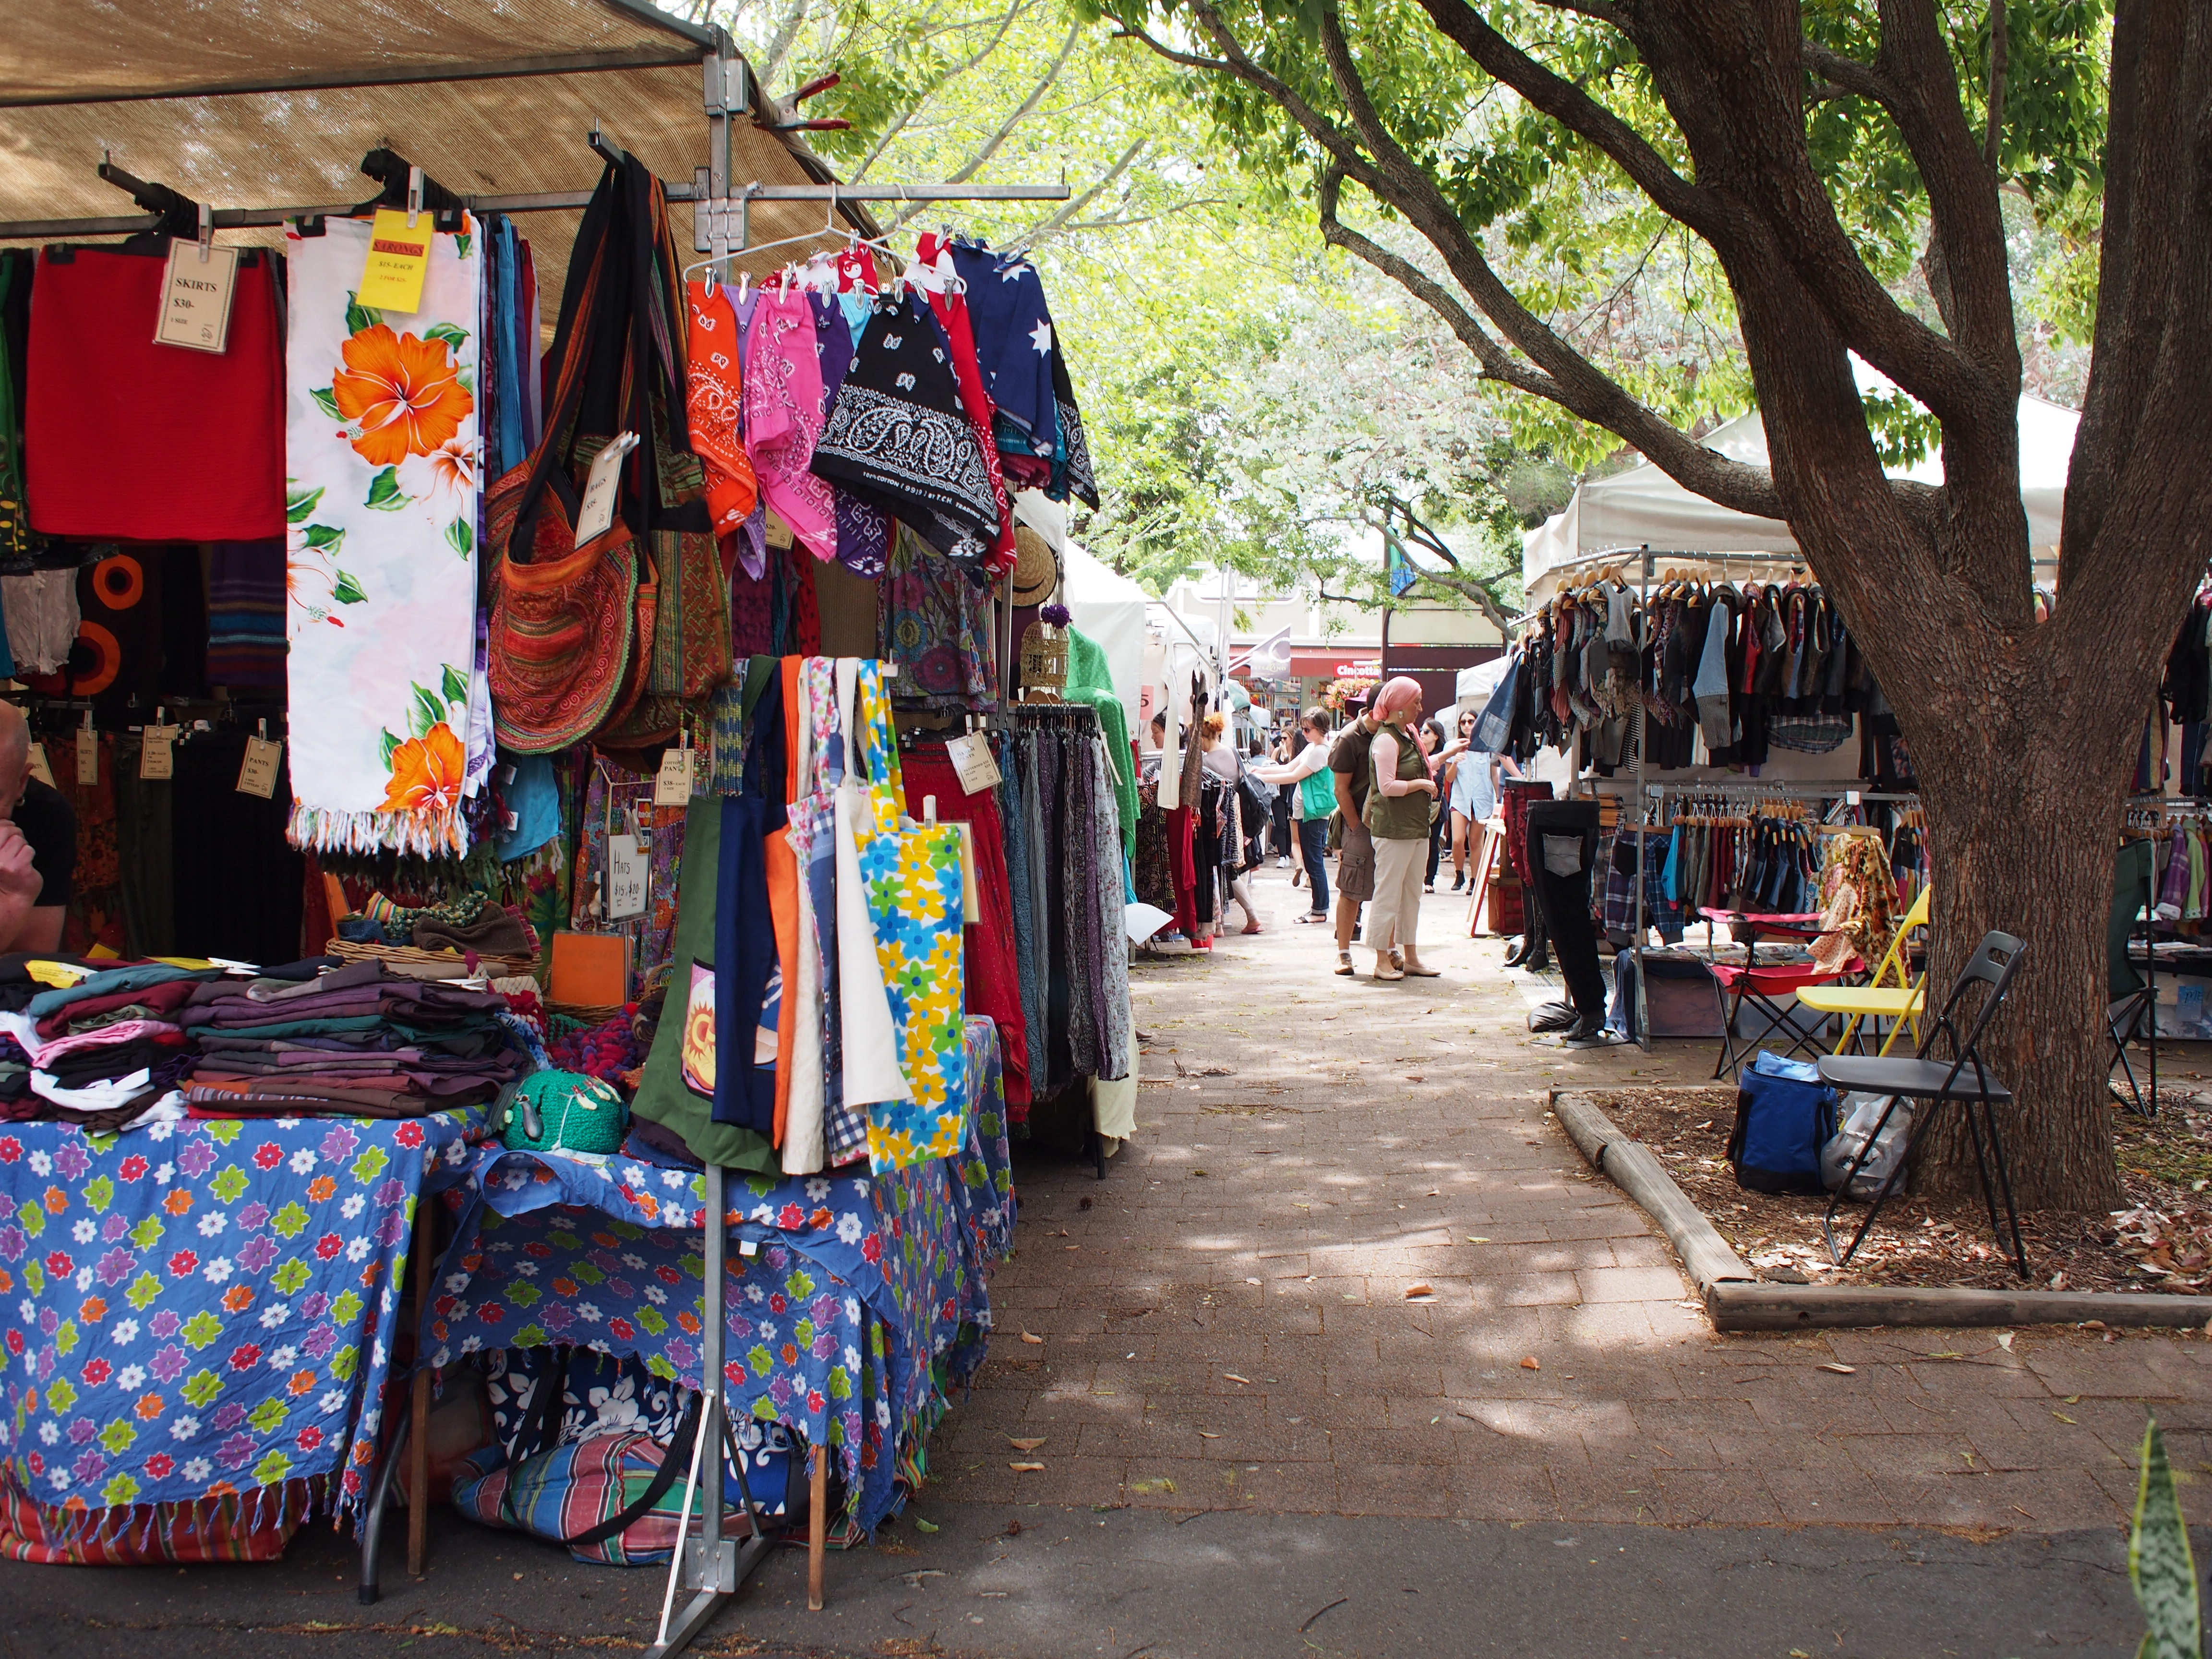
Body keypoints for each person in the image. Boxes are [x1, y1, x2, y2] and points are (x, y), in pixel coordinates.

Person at [1362, 676, 1440, 981]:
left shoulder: (1407, 735)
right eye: (1416, 702)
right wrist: (1422, 784)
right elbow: (1386, 787)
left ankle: (1411, 957)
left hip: (1417, 828)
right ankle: (1382, 959)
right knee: (1388, 894)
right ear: (1399, 707)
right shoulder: (1386, 739)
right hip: (1394, 831)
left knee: (1411, 895)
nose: (1420, 708)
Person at [0, 704, 74, 953]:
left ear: (21, 783)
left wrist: (17, 895)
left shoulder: (45, 814)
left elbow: (29, 969)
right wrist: (12, 902)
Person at [1252, 707, 1336, 925]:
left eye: (1308, 729)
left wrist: (1260, 776)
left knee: (1314, 862)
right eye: (1303, 729)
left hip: (1313, 814)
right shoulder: (1313, 748)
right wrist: (1259, 772)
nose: (1305, 733)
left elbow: (1292, 776)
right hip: (1308, 812)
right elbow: (1288, 768)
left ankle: (1319, 909)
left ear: (1319, 729)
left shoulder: (1320, 751)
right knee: (1312, 861)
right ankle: (1319, 908)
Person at [1327, 698, 1381, 976]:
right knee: (1351, 889)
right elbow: (1340, 789)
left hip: (1388, 826)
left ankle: (1387, 950)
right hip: (1359, 823)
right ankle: (1343, 952)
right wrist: (1356, 827)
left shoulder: (1397, 731)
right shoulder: (1350, 737)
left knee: (1387, 891)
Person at [1197, 713, 1263, 934]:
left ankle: (1236, 921)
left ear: (1204, 737)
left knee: (1223, 868)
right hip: (1237, 818)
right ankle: (1222, 924)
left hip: (1219, 821)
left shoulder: (1207, 762)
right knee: (1229, 869)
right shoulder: (1232, 753)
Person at [1449, 709, 1521, 892]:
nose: (1467, 725)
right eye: (1463, 722)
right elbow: (1449, 779)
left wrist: (1520, 779)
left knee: (1475, 841)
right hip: (1460, 798)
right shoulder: (1452, 746)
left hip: (1482, 798)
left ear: (1478, 723)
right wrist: (1456, 762)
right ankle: (1459, 873)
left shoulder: (1486, 745)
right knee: (1458, 840)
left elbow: (1499, 766)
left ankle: (1475, 880)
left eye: (1471, 721)